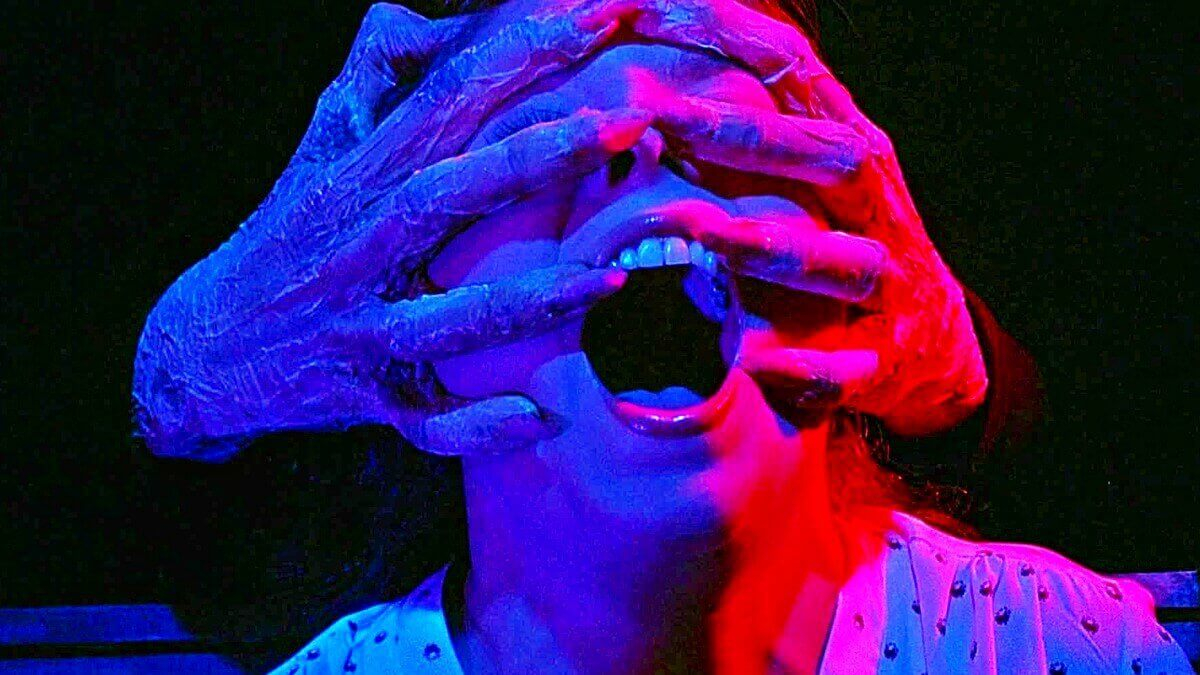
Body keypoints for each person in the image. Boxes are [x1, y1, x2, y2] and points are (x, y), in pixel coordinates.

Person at [132, 0, 1191, 672]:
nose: (639, 139)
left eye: (724, 113)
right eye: (536, 139)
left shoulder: (1058, 645)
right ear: (397, 285)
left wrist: (959, 364)